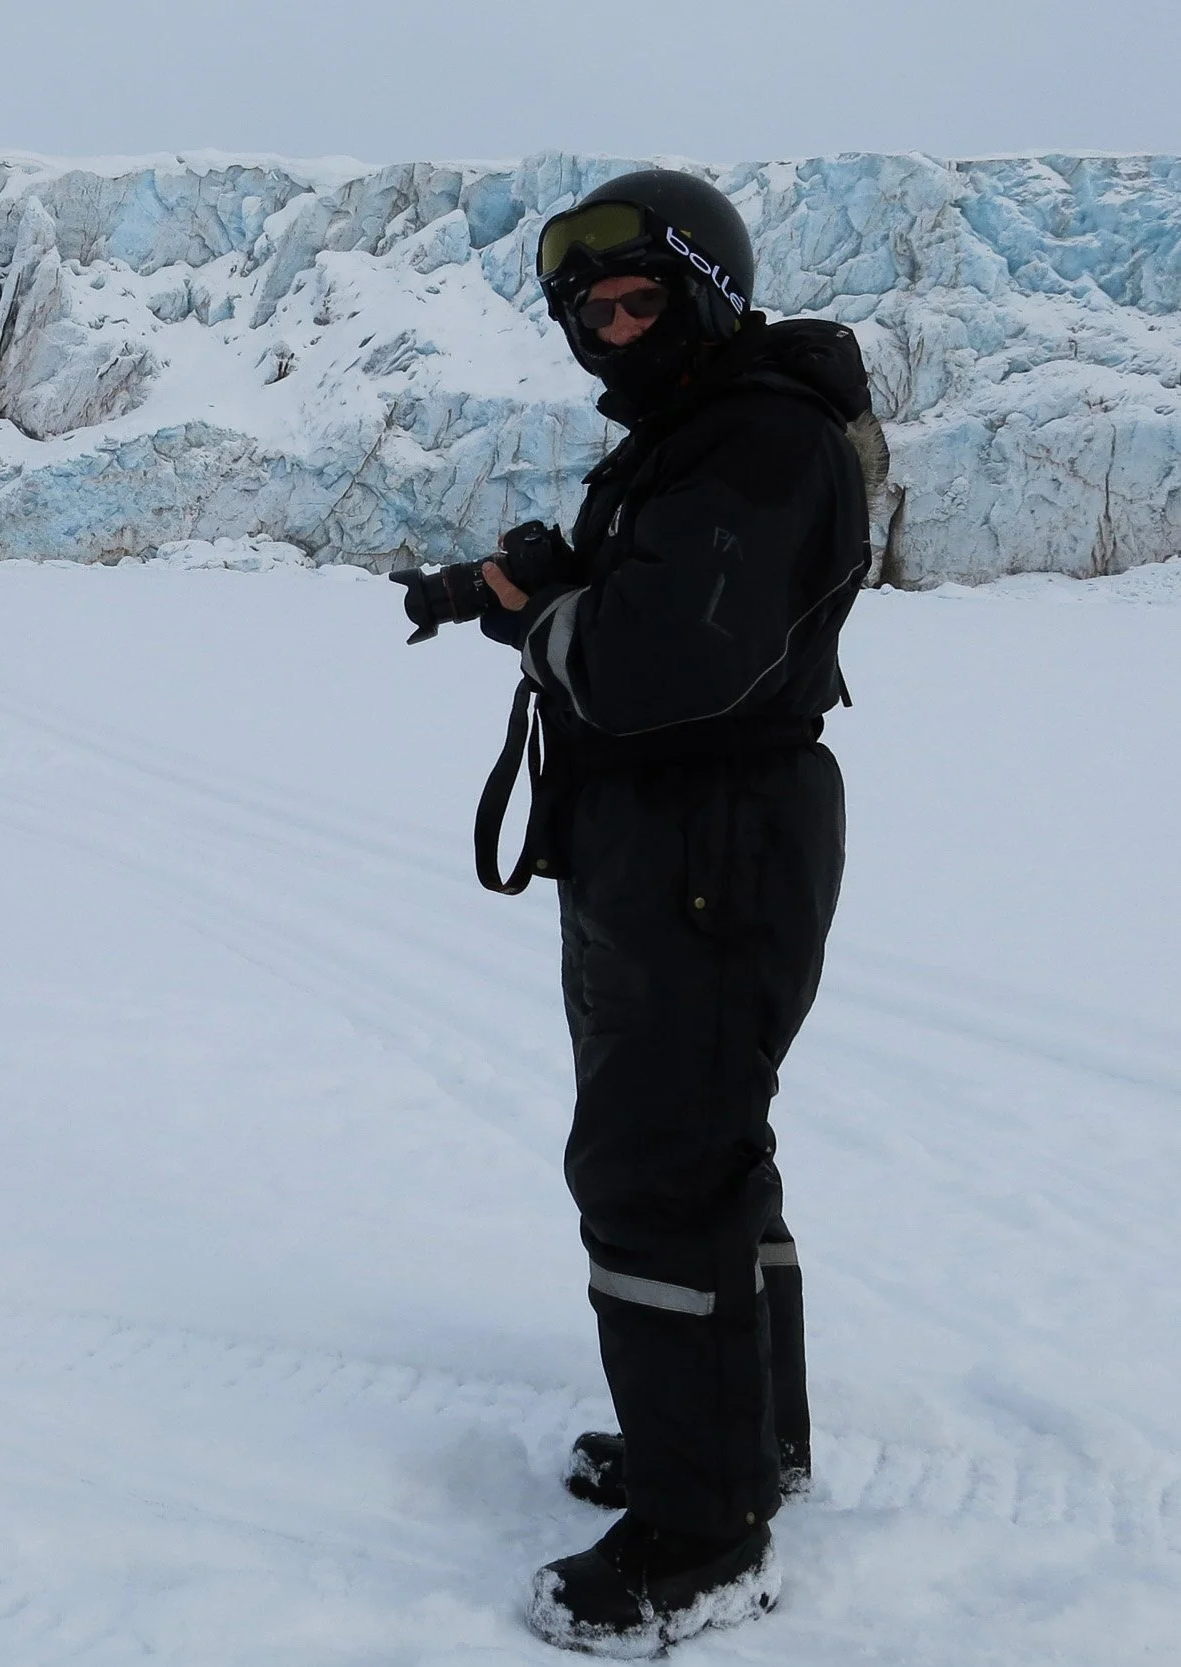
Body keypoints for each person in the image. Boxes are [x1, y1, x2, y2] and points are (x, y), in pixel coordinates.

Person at [469, 169, 874, 1655]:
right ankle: (740, 1445)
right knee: (712, 1147)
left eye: (640, 301)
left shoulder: (757, 441)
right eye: (592, 312)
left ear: (705, 294)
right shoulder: (709, 437)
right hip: (693, 835)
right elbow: (673, 603)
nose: (612, 332)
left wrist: (542, 617)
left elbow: (659, 666)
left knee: (653, 1169)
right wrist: (551, 582)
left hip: (714, 835)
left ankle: (705, 1539)